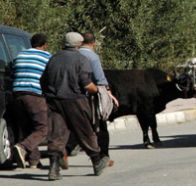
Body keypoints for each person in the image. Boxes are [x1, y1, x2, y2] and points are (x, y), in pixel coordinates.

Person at [41, 32, 108, 180]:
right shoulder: (81, 59)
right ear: (79, 44)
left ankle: (54, 168)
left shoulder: (53, 58)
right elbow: (86, 84)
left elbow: (43, 81)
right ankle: (97, 162)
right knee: (85, 130)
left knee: (56, 134)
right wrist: (99, 90)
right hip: (75, 101)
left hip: (54, 101)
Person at [77, 32, 118, 166]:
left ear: (81, 42)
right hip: (90, 96)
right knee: (101, 127)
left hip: (73, 97)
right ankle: (103, 156)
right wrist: (108, 93)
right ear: (93, 43)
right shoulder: (93, 57)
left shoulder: (74, 55)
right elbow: (100, 78)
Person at [12, 33, 51, 169]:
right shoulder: (46, 56)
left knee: (28, 127)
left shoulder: (20, 55)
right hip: (34, 94)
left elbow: (13, 71)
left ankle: (34, 161)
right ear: (45, 45)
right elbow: (51, 75)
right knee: (42, 128)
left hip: (17, 95)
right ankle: (22, 147)